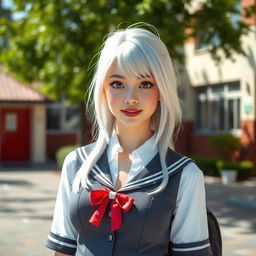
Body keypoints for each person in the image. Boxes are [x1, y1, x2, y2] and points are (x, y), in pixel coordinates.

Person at [45, 23, 212, 256]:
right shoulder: (76, 164)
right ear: (104, 89)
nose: (130, 98)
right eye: (117, 84)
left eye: (145, 84)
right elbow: (63, 250)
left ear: (161, 91)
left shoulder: (184, 175)